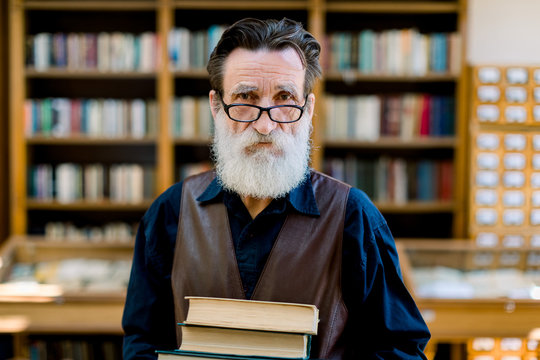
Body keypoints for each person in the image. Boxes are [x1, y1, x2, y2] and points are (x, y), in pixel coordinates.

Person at [122, 17, 430, 360]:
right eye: (245, 98)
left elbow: (401, 350)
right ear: (216, 107)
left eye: (285, 98)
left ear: (308, 110)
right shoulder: (170, 212)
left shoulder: (353, 216)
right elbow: (143, 341)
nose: (266, 125)